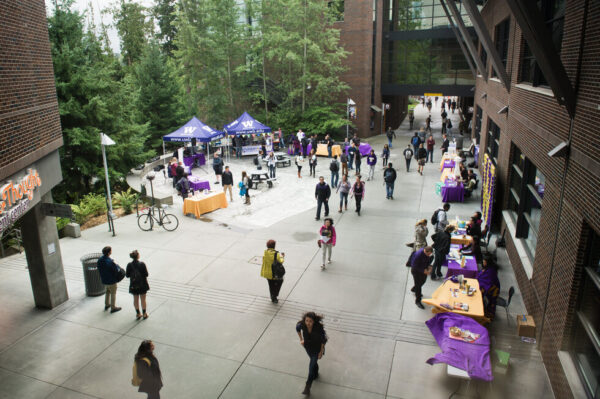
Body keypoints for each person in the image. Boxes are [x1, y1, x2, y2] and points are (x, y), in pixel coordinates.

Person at [296, 312, 328, 395]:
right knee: (313, 362)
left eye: (310, 321)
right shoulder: (302, 324)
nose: (308, 323)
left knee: (311, 368)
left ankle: (307, 387)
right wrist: (301, 339)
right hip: (307, 347)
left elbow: (323, 340)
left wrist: (321, 352)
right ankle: (316, 373)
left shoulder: (318, 328)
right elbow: (297, 328)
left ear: (314, 321)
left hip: (317, 349)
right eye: (306, 320)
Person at [97, 246, 122, 313]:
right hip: (111, 280)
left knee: (107, 291)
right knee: (113, 293)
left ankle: (107, 304)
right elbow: (116, 270)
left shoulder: (100, 260)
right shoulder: (110, 262)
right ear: (108, 252)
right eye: (111, 250)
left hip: (104, 279)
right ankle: (113, 307)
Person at [126, 250, 150, 320]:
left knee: (135, 299)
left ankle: (138, 313)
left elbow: (127, 275)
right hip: (142, 284)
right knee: (143, 299)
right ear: (138, 256)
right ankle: (144, 313)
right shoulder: (142, 264)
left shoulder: (129, 265)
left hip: (134, 285)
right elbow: (146, 274)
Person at [478, 254, 500, 320]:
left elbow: (487, 281)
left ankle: (489, 315)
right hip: (490, 286)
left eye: (484, 262)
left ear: (488, 263)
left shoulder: (491, 271)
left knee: (491, 303)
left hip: (493, 289)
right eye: (483, 262)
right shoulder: (487, 268)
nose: (483, 263)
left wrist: (480, 285)